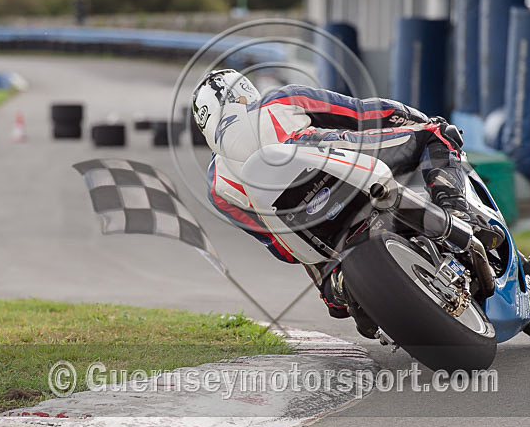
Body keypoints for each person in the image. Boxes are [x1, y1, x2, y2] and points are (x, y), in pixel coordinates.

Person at [192, 69, 503, 337]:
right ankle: (458, 214)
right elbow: (364, 113)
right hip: (339, 164)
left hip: (311, 235)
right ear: (245, 91)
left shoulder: (216, 187)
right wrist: (417, 119)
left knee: (332, 293)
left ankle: (343, 289)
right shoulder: (279, 100)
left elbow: (279, 247)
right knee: (436, 134)